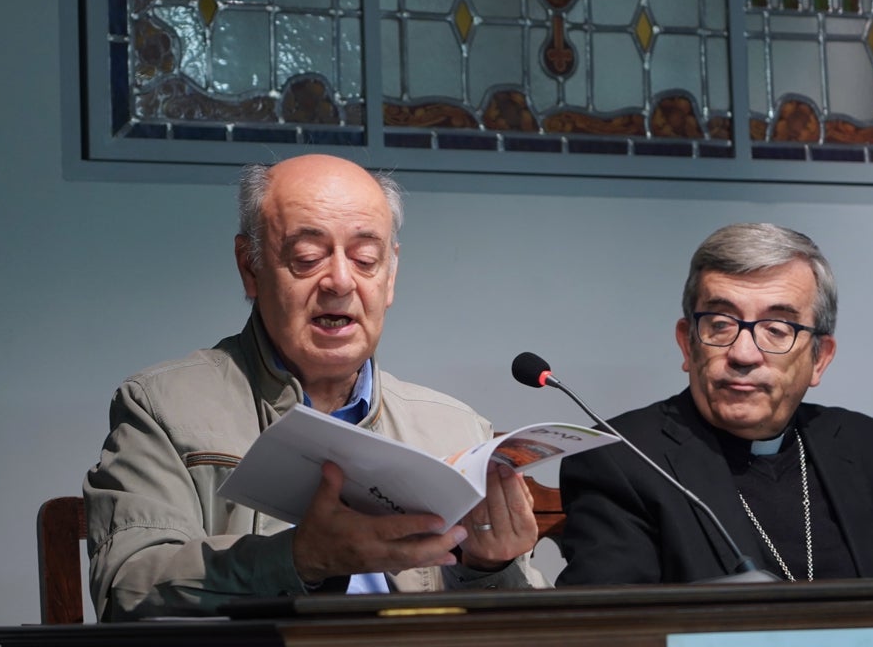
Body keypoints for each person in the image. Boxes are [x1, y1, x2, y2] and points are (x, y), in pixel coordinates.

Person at [84, 154, 546, 621]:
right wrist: (299, 560)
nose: (341, 281)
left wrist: (490, 566)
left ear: (390, 276)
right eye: (308, 258)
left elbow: (539, 625)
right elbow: (127, 588)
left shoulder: (455, 427)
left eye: (366, 260)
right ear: (250, 266)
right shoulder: (163, 407)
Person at [557, 223, 873, 584]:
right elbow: (612, 631)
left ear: (820, 358)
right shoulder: (619, 458)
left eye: (777, 329)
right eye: (721, 324)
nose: (743, 353)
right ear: (686, 343)